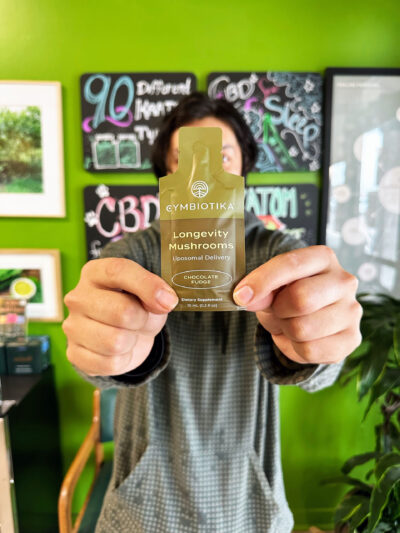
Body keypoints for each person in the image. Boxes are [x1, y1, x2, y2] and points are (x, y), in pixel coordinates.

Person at [63, 92, 362, 533]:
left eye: (222, 155)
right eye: (185, 158)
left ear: (243, 167)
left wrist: (317, 340)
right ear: (166, 172)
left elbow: (321, 371)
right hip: (144, 511)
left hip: (250, 507)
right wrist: (101, 345)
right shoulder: (135, 254)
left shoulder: (276, 254)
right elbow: (97, 366)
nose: (204, 171)